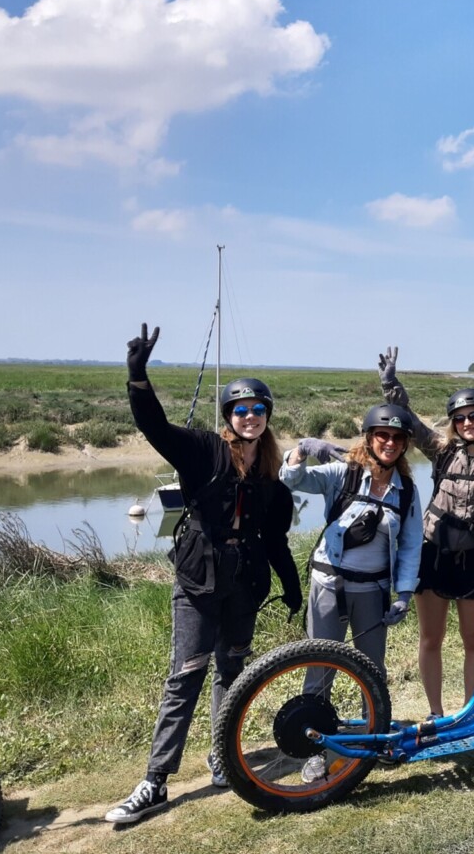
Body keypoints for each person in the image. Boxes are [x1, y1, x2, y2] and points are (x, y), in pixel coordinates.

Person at [106, 324, 301, 825]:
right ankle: (155, 781)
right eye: (241, 410)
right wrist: (138, 377)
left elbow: (275, 539)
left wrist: (291, 583)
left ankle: (221, 755)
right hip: (198, 581)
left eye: (259, 409)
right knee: (185, 677)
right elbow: (155, 428)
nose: (250, 417)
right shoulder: (204, 452)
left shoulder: (271, 478)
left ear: (267, 416)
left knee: (232, 672)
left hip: (244, 585)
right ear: (228, 417)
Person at [378, 346, 474, 719]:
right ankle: (435, 713)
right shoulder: (443, 451)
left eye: (473, 416)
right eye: (459, 418)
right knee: (431, 639)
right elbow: (410, 423)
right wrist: (391, 385)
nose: (466, 423)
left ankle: (468, 713)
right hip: (434, 552)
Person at [280, 402, 423, 782]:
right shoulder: (342, 473)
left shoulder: (406, 490)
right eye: (382, 435)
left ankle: (375, 740)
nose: (389, 443)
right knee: (319, 669)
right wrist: (300, 450)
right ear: (369, 438)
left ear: (405, 444)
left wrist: (404, 594)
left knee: (372, 671)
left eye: (397, 437)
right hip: (329, 585)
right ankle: (314, 750)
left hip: (374, 591)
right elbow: (293, 481)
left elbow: (411, 545)